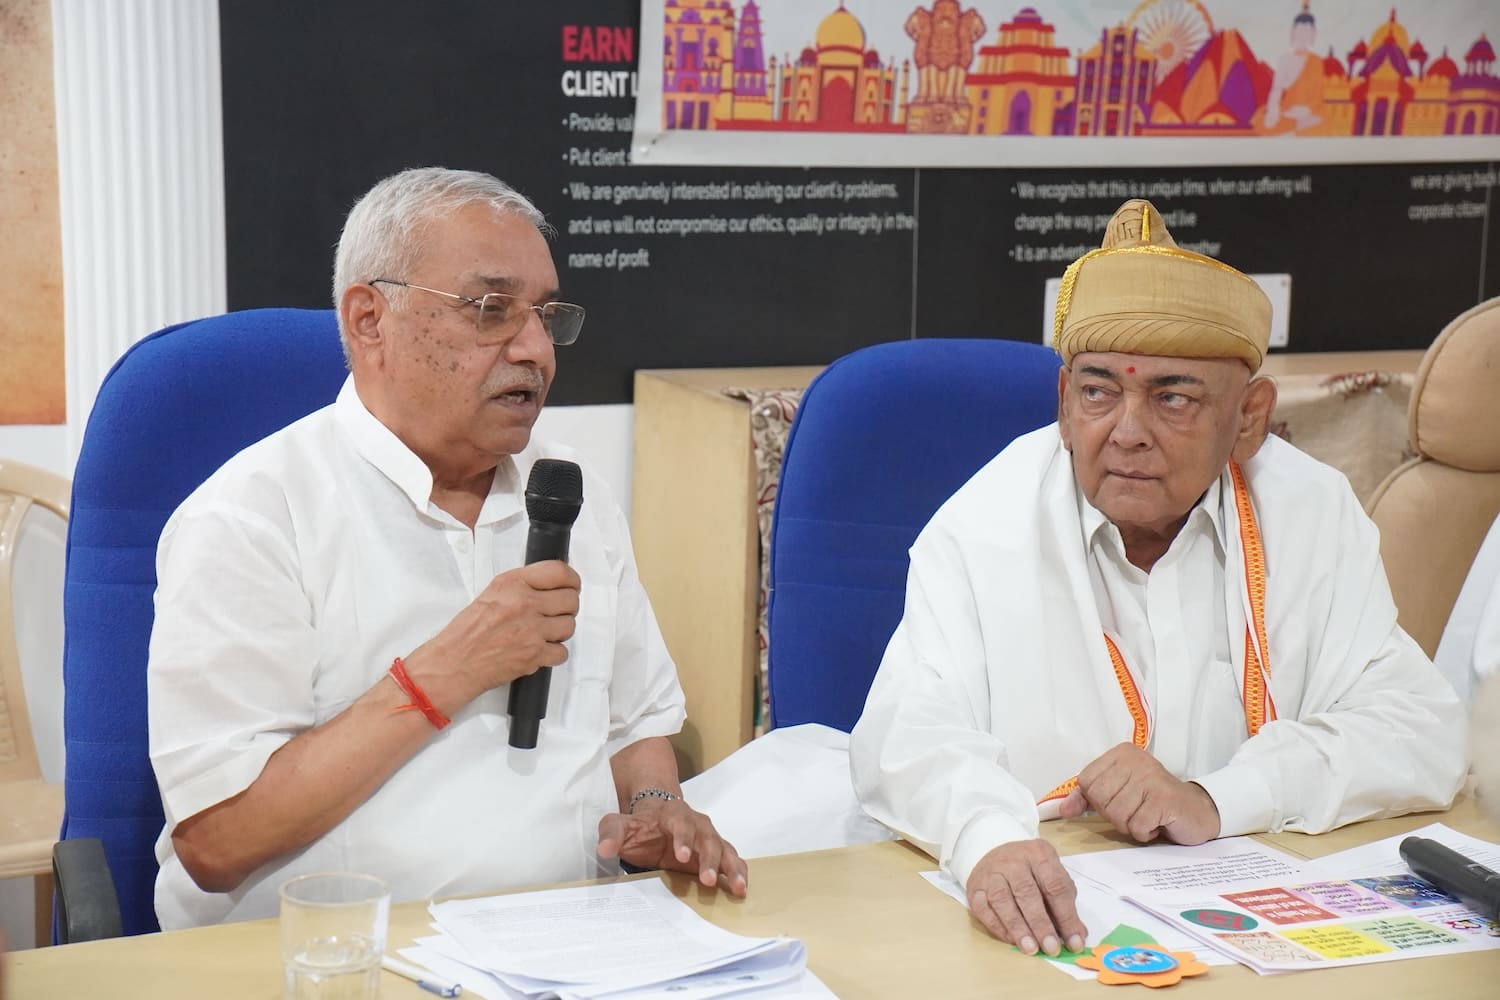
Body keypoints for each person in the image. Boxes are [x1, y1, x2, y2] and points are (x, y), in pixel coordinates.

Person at [849, 199, 1467, 958]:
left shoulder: (1309, 513)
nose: (1128, 430)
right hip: (1041, 922)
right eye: (1099, 391)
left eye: (1172, 396)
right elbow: (908, 735)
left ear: (1248, 419)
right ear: (1064, 405)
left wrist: (1218, 797)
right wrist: (985, 840)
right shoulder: (984, 521)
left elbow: (1420, 732)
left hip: (1240, 917)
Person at [147, 167, 746, 929]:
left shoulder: (570, 492)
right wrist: (443, 673)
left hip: (571, 939)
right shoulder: (252, 516)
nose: (536, 350)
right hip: (339, 959)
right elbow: (218, 842)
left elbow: (636, 725)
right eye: (492, 310)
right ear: (369, 320)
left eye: (546, 315)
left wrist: (661, 810)